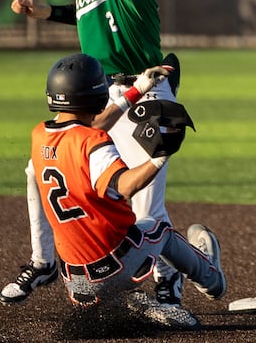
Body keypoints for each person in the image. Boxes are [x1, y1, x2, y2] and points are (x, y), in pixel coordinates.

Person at [0, 0, 197, 326]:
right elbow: (89, 10)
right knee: (38, 168)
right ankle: (44, 262)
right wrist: (47, 13)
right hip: (102, 92)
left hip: (145, 90)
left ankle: (169, 286)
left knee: (146, 206)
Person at [26, 52, 226, 315]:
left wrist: (137, 90)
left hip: (76, 285)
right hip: (113, 269)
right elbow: (125, 186)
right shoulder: (92, 143)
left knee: (116, 237)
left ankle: (128, 303)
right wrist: (159, 157)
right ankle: (212, 281)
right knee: (159, 229)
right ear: (97, 96)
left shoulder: (40, 135)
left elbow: (90, 124)